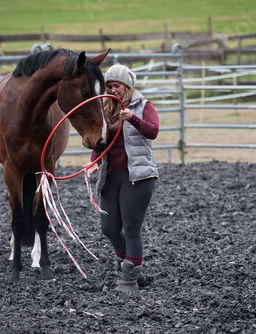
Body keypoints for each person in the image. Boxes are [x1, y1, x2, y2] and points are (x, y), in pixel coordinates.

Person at [83, 64, 159, 291]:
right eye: (109, 86)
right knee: (108, 228)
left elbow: (153, 131)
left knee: (131, 227)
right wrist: (94, 161)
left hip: (138, 176)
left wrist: (133, 119)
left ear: (127, 86)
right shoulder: (106, 110)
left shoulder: (143, 106)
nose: (112, 90)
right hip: (111, 175)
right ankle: (134, 267)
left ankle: (129, 277)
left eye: (116, 86)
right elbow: (101, 140)